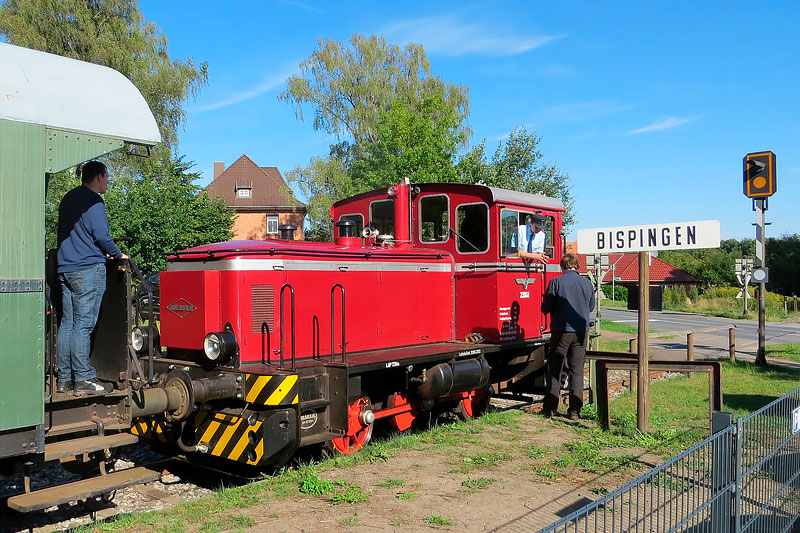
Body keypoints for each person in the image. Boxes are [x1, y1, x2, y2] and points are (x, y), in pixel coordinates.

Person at [56, 161, 127, 396]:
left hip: (65, 268)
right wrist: (117, 254)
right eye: (107, 177)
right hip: (87, 269)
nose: (108, 181)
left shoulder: (68, 198)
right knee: (83, 325)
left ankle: (65, 379)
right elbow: (101, 234)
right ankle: (84, 379)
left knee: (68, 323)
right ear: (98, 177)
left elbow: (78, 234)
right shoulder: (94, 201)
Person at [540, 253, 594, 420]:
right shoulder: (587, 283)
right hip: (580, 332)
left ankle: (550, 409)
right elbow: (590, 307)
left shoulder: (556, 282)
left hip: (560, 331)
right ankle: (574, 411)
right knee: (577, 371)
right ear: (576, 266)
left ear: (562, 266)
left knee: (555, 369)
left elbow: (546, 308)